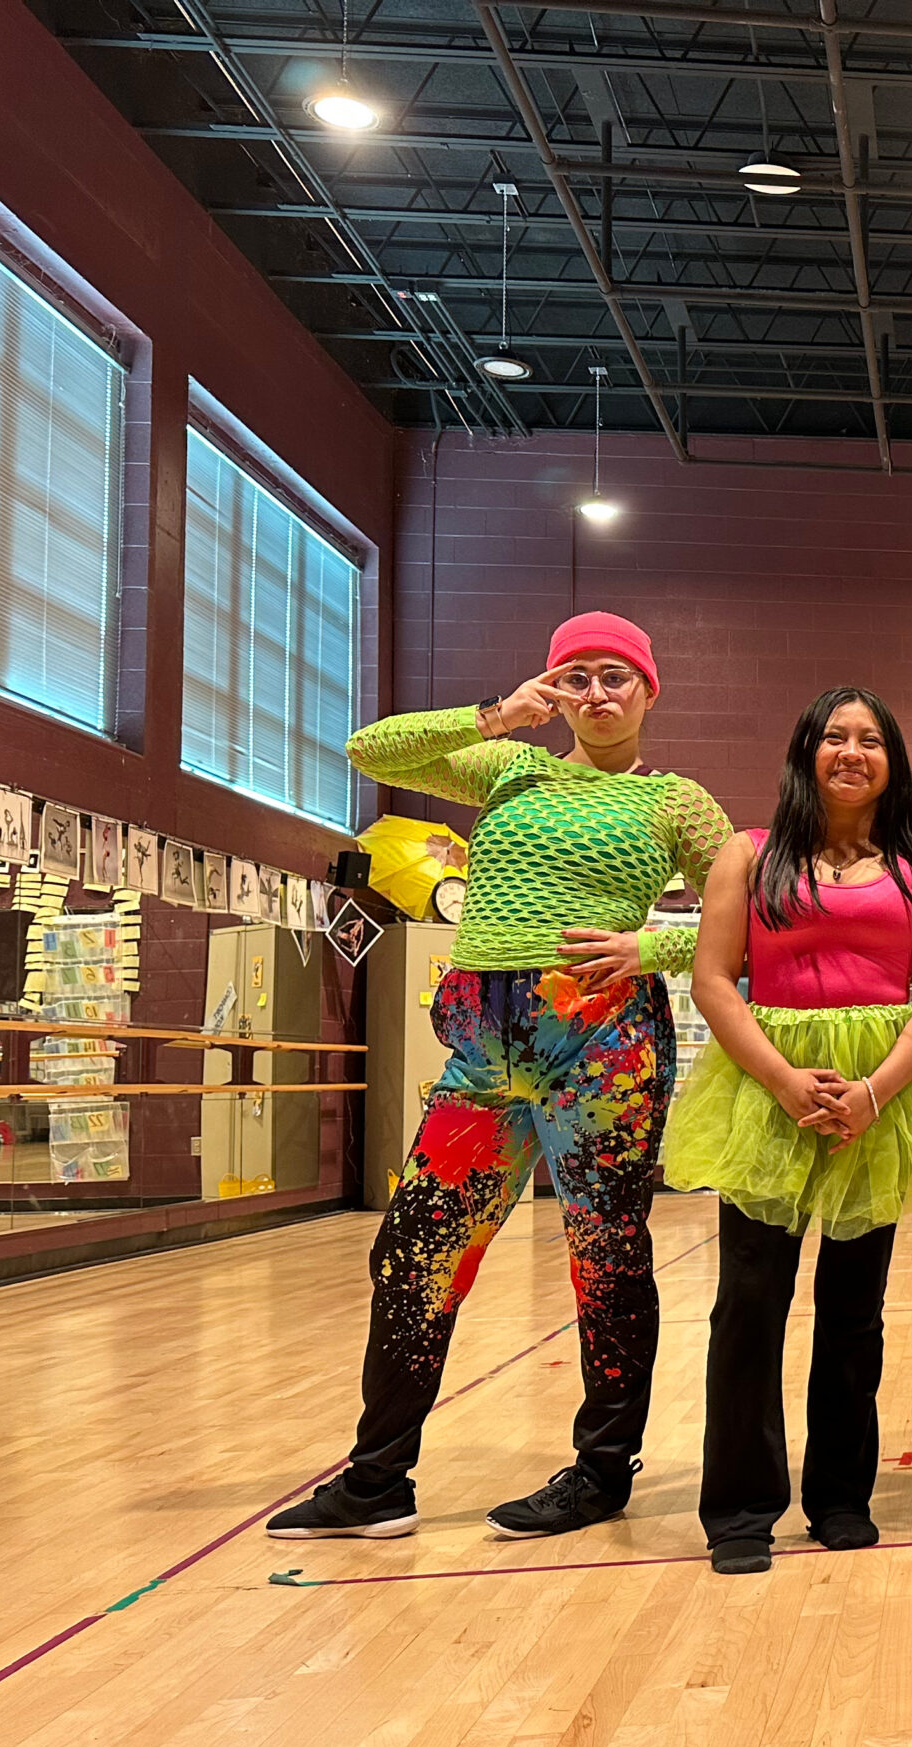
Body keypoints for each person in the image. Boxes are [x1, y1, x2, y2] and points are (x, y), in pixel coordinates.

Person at [268, 611, 731, 1541]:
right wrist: (495, 715)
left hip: (603, 1044)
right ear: (552, 687)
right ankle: (376, 1482)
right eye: (576, 675)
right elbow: (371, 750)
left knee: (605, 1256)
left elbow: (757, 913)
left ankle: (602, 1471)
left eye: (615, 676)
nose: (595, 693)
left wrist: (654, 944)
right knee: (414, 1253)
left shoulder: (676, 800)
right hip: (483, 1047)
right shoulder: (509, 767)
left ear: (649, 691)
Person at [661, 688, 912, 1576]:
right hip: (767, 1095)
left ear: (893, 761)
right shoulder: (748, 854)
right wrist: (784, 1079)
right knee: (749, 1306)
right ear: (805, 752)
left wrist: (874, 1092)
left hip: (877, 1104)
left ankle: (841, 1497)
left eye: (870, 739)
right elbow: (714, 979)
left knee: (853, 1313)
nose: (851, 751)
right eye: (834, 737)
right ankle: (740, 1509)